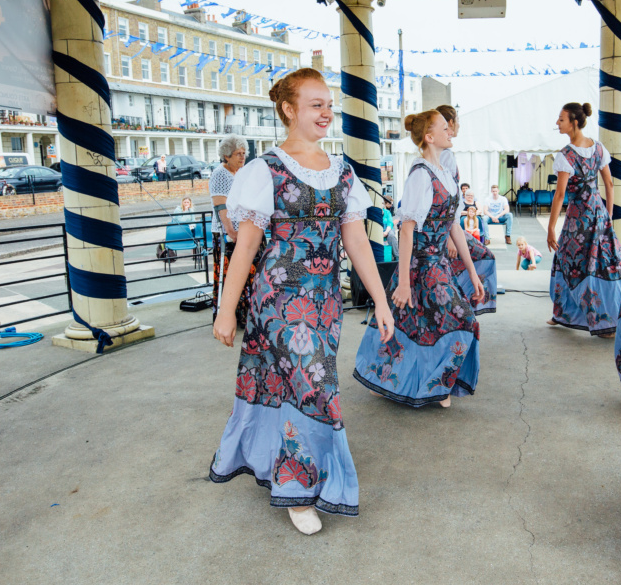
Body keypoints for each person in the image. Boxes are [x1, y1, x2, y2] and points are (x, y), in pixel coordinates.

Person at [209, 68, 395, 536]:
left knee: (296, 386)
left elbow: (357, 243)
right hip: (278, 301)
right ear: (289, 109)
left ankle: (285, 462)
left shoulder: (343, 173)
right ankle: (299, 486)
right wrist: (227, 308)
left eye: (329, 104)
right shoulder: (262, 171)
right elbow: (246, 247)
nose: (327, 113)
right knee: (315, 386)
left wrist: (382, 301)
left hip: (326, 302)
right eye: (316, 104)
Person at [354, 110, 484, 408]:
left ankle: (417, 382)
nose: (450, 131)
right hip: (420, 263)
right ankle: (420, 382)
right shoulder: (420, 174)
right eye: (443, 127)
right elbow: (407, 229)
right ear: (429, 136)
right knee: (459, 320)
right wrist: (402, 281)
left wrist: (473, 273)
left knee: (417, 323)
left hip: (438, 263)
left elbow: (455, 227)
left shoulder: (445, 174)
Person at [546, 101, 621, 337]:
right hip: (598, 211)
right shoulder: (599, 148)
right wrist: (609, 214)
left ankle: (590, 318)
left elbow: (561, 194)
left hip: (578, 216)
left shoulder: (566, 155)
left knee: (570, 260)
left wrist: (551, 228)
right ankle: (567, 313)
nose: (557, 123)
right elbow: (609, 183)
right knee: (599, 262)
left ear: (574, 122)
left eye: (561, 119)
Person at [439, 104, 497, 316]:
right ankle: (463, 305)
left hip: (449, 227)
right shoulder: (444, 156)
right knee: (484, 257)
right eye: (458, 121)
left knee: (483, 256)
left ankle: (463, 303)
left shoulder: (445, 154)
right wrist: (449, 237)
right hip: (444, 230)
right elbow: (442, 201)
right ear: (450, 124)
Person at [209, 134, 264, 325]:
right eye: (237, 154)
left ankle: (247, 312)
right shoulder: (220, 174)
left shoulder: (239, 173)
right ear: (226, 156)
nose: (242, 157)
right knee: (230, 273)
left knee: (248, 272)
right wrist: (231, 233)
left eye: (243, 153)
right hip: (227, 233)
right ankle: (230, 315)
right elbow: (220, 207)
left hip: (243, 231)